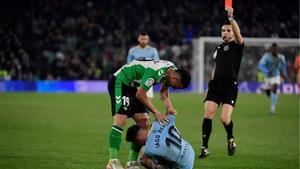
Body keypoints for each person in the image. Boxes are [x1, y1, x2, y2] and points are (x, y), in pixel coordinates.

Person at [106, 60, 191, 169]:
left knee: (144, 123)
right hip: (121, 82)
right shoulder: (155, 72)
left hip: (135, 87)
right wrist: (156, 112)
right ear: (175, 79)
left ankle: (132, 162)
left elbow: (163, 92)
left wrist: (169, 107)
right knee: (120, 120)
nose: (174, 88)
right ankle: (112, 161)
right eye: (176, 86)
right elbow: (141, 94)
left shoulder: (171, 69)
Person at [199, 7, 244, 159]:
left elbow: (238, 35)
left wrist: (231, 18)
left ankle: (230, 139)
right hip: (215, 85)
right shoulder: (218, 48)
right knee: (208, 113)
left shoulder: (238, 46)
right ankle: (204, 147)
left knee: (224, 119)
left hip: (230, 86)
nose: (225, 32)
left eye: (228, 30)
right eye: (223, 30)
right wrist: (209, 86)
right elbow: (215, 68)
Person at [126, 115, 195, 169]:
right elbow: (171, 115)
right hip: (190, 150)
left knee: (142, 160)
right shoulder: (157, 122)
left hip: (184, 166)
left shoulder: (148, 150)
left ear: (138, 140)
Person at [127, 32, 159, 100]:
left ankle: (146, 110)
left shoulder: (153, 50)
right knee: (135, 100)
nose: (143, 40)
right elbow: (128, 64)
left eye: (145, 39)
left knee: (147, 100)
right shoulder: (132, 51)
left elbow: (156, 63)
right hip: (135, 78)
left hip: (148, 78)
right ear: (138, 39)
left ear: (148, 40)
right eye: (142, 39)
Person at [259, 43, 287, 114]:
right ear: (271, 50)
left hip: (276, 76)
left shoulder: (281, 57)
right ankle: (272, 95)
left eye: (276, 49)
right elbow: (260, 65)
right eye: (273, 49)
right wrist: (267, 71)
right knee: (269, 92)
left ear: (278, 50)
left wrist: (284, 74)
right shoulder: (266, 56)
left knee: (274, 89)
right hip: (268, 77)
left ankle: (272, 108)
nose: (275, 51)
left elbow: (283, 66)